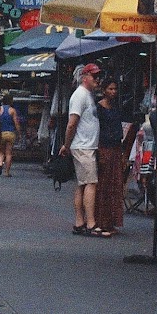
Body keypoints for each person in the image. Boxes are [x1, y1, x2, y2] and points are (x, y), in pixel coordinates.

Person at [59, 62, 105, 237]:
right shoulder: (79, 96)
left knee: (82, 184)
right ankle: (91, 223)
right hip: (83, 146)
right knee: (90, 183)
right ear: (85, 77)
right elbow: (72, 123)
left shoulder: (87, 95)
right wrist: (67, 144)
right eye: (94, 76)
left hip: (85, 145)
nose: (97, 80)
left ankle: (80, 222)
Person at [93, 79, 129, 235]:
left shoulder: (116, 107)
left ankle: (111, 221)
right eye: (110, 89)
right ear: (104, 90)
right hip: (104, 147)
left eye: (115, 89)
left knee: (114, 184)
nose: (113, 92)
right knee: (103, 185)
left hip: (115, 147)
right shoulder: (99, 108)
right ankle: (101, 220)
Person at [0, 95, 22, 177]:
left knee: (0, 151)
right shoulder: (12, 110)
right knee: (8, 153)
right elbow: (16, 123)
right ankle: (7, 172)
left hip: (1, 134)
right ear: (10, 101)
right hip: (10, 134)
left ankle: (0, 164)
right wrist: (19, 133)